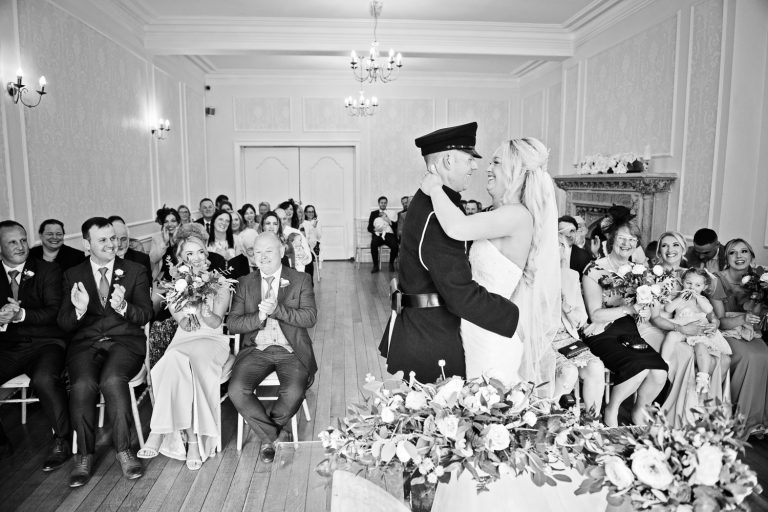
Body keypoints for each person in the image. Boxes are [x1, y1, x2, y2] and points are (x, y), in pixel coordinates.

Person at [378, 122, 519, 383]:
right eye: (469, 159)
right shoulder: (437, 215)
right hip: (431, 339)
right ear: (448, 160)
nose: (475, 166)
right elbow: (459, 294)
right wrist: (516, 315)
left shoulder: (432, 202)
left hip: (422, 328)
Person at [420, 136, 560, 391]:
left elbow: (457, 227)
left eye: (496, 162)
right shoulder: (503, 213)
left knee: (488, 400)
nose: (487, 168)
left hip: (491, 332)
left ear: (515, 170)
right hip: (479, 322)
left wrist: (435, 188)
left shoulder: (516, 214)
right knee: (478, 400)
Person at [58, 217, 152, 487]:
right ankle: (84, 455)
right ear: (87, 244)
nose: (112, 244)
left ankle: (124, 450)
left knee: (112, 380)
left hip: (125, 342)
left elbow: (146, 314)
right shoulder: (72, 275)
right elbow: (63, 323)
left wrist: (124, 307)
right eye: (103, 240)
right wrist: (78, 310)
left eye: (113, 238)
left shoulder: (134, 270)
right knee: (82, 384)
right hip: (86, 343)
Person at [137, 229, 232, 470]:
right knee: (173, 360)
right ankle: (191, 441)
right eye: (190, 254)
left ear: (206, 254)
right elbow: (186, 325)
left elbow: (215, 323)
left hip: (212, 340)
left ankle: (158, 430)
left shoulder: (220, 282)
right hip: (185, 339)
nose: (197, 257)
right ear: (181, 258)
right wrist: (189, 300)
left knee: (180, 361)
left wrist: (205, 306)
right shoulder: (175, 286)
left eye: (200, 252)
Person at [227, 232, 317, 463]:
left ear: (281, 251)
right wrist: (258, 317)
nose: (263, 256)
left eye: (268, 251)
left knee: (294, 391)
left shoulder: (300, 279)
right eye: (258, 252)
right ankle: (276, 436)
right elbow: (233, 324)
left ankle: (268, 437)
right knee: (237, 390)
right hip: (256, 349)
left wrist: (278, 310)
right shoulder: (245, 283)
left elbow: (309, 318)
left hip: (291, 350)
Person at [581, 214, 668, 427]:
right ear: (612, 239)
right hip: (602, 331)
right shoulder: (594, 269)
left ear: (637, 243)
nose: (626, 243)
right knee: (639, 367)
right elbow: (595, 315)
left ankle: (639, 412)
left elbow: (642, 309)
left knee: (659, 372)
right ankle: (612, 410)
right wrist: (628, 308)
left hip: (629, 330)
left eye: (632, 239)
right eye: (622, 238)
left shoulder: (639, 271)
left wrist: (643, 311)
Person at [0, 221, 70, 469]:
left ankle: (62, 440)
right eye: (12, 242)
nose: (20, 246)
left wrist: (20, 315)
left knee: (45, 379)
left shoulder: (47, 270)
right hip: (7, 346)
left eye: (23, 240)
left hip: (46, 343)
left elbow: (54, 312)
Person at [651, 231, 728, 427]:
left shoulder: (692, 275)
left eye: (675, 245)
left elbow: (711, 313)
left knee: (721, 359)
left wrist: (714, 324)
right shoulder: (653, 274)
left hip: (694, 327)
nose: (670, 250)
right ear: (659, 250)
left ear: (684, 248)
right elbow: (660, 314)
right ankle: (676, 414)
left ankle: (699, 410)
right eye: (665, 245)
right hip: (662, 325)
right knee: (688, 356)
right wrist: (683, 327)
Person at [711, 238, 768, 434]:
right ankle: (739, 420)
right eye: (732, 252)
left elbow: (759, 318)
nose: (739, 256)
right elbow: (719, 322)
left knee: (764, 355)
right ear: (726, 258)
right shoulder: (717, 280)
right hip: (725, 332)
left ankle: (757, 420)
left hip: (750, 332)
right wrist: (742, 318)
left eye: (744, 251)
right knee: (748, 356)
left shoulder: (760, 281)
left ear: (751, 256)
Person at [552, 235, 605, 414]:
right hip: (541, 340)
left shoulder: (569, 276)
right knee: (568, 371)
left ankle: (592, 421)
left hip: (566, 337)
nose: (559, 250)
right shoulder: (529, 274)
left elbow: (581, 320)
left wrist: (566, 308)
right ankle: (548, 418)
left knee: (596, 367)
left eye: (562, 246)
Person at [664, 268, 731, 394]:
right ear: (683, 282)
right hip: (682, 327)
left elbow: (709, 309)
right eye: (689, 283)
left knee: (701, 347)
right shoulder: (680, 298)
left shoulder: (702, 299)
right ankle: (664, 364)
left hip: (698, 329)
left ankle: (703, 377)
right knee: (671, 336)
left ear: (704, 287)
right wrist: (680, 298)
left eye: (697, 285)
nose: (692, 287)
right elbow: (668, 309)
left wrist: (697, 297)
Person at [275, 208, 313, 276]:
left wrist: (300, 254)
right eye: (279, 219)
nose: (282, 222)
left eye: (284, 218)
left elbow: (308, 259)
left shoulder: (296, 233)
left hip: (295, 274)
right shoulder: (270, 235)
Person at [367, 196, 398, 273]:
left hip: (389, 234)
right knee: (373, 244)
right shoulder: (374, 213)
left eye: (385, 203)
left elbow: (395, 226)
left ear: (386, 203)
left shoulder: (391, 213)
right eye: (382, 203)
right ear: (379, 203)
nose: (383, 204)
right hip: (378, 234)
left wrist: (388, 220)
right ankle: (375, 266)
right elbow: (369, 228)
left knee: (395, 246)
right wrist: (375, 230)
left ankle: (391, 264)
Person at [149, 206, 180, 281]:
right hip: (164, 279)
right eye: (166, 222)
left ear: (178, 223)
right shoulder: (157, 238)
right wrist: (165, 243)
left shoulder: (185, 236)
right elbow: (153, 259)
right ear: (163, 224)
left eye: (173, 221)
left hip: (183, 276)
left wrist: (176, 240)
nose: (170, 224)